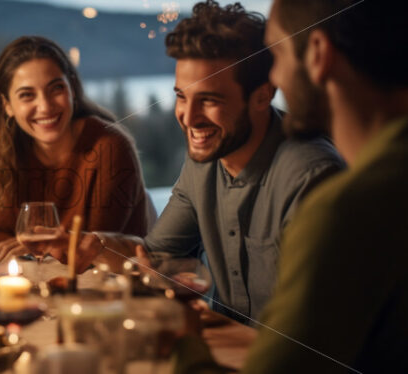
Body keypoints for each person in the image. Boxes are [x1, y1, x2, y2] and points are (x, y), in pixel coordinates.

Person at [61, 0, 344, 322]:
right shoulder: (205, 159)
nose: (188, 118)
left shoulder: (313, 178)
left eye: (209, 100)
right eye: (181, 96)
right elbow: (156, 257)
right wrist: (95, 245)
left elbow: (319, 329)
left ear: (263, 95)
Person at [170, 0, 408, 372]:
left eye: (277, 54)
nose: (275, 78)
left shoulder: (346, 205)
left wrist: (185, 341)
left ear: (318, 54)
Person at [0, 36, 151, 262]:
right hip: (42, 282)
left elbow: (88, 250)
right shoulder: (7, 150)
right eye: (27, 95)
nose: (45, 106)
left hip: (111, 288)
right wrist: (32, 244)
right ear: (7, 106)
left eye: (56, 89)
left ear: (72, 89)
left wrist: (30, 243)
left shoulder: (110, 146)